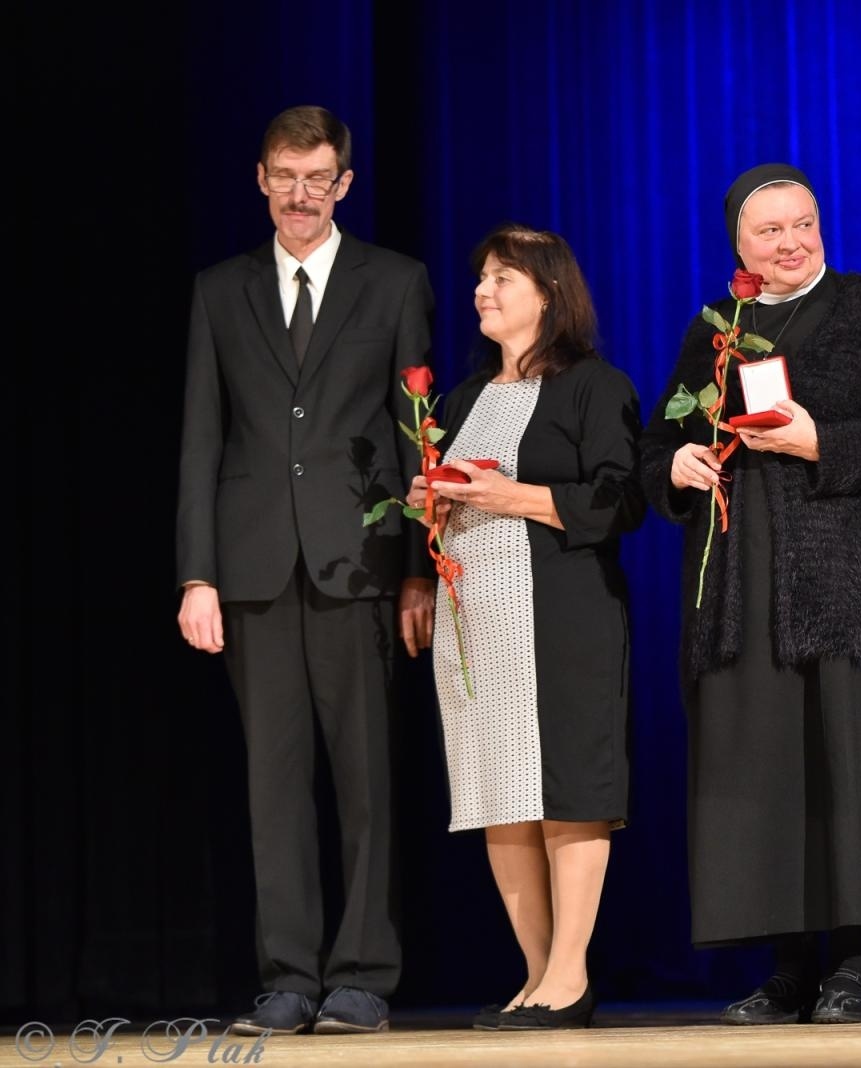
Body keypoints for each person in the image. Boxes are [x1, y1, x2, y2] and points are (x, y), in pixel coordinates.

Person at [640, 163, 861, 1025]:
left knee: (846, 768)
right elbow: (660, 436)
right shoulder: (716, 332)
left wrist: (823, 444)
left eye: (803, 223)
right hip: (741, 583)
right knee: (765, 773)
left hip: (847, 576)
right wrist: (677, 461)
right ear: (738, 244)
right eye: (770, 230)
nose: (791, 241)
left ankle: (849, 963)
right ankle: (786, 968)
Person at [175, 105, 435, 1035]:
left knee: (367, 781)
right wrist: (195, 575)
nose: (299, 195)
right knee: (272, 783)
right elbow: (202, 440)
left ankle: (363, 972)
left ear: (344, 184)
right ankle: (286, 976)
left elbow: (415, 440)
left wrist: (417, 571)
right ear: (260, 179)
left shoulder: (396, 283)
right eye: (284, 176)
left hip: (360, 566)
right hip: (251, 572)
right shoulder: (220, 290)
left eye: (317, 177)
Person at [403, 225, 643, 1030]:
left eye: (503, 278)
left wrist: (511, 497)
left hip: (563, 614)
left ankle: (571, 974)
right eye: (481, 278)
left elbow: (619, 502)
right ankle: (535, 974)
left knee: (568, 789)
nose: (483, 290)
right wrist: (432, 504)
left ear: (548, 293)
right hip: (477, 622)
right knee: (500, 790)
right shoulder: (463, 401)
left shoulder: (592, 386)